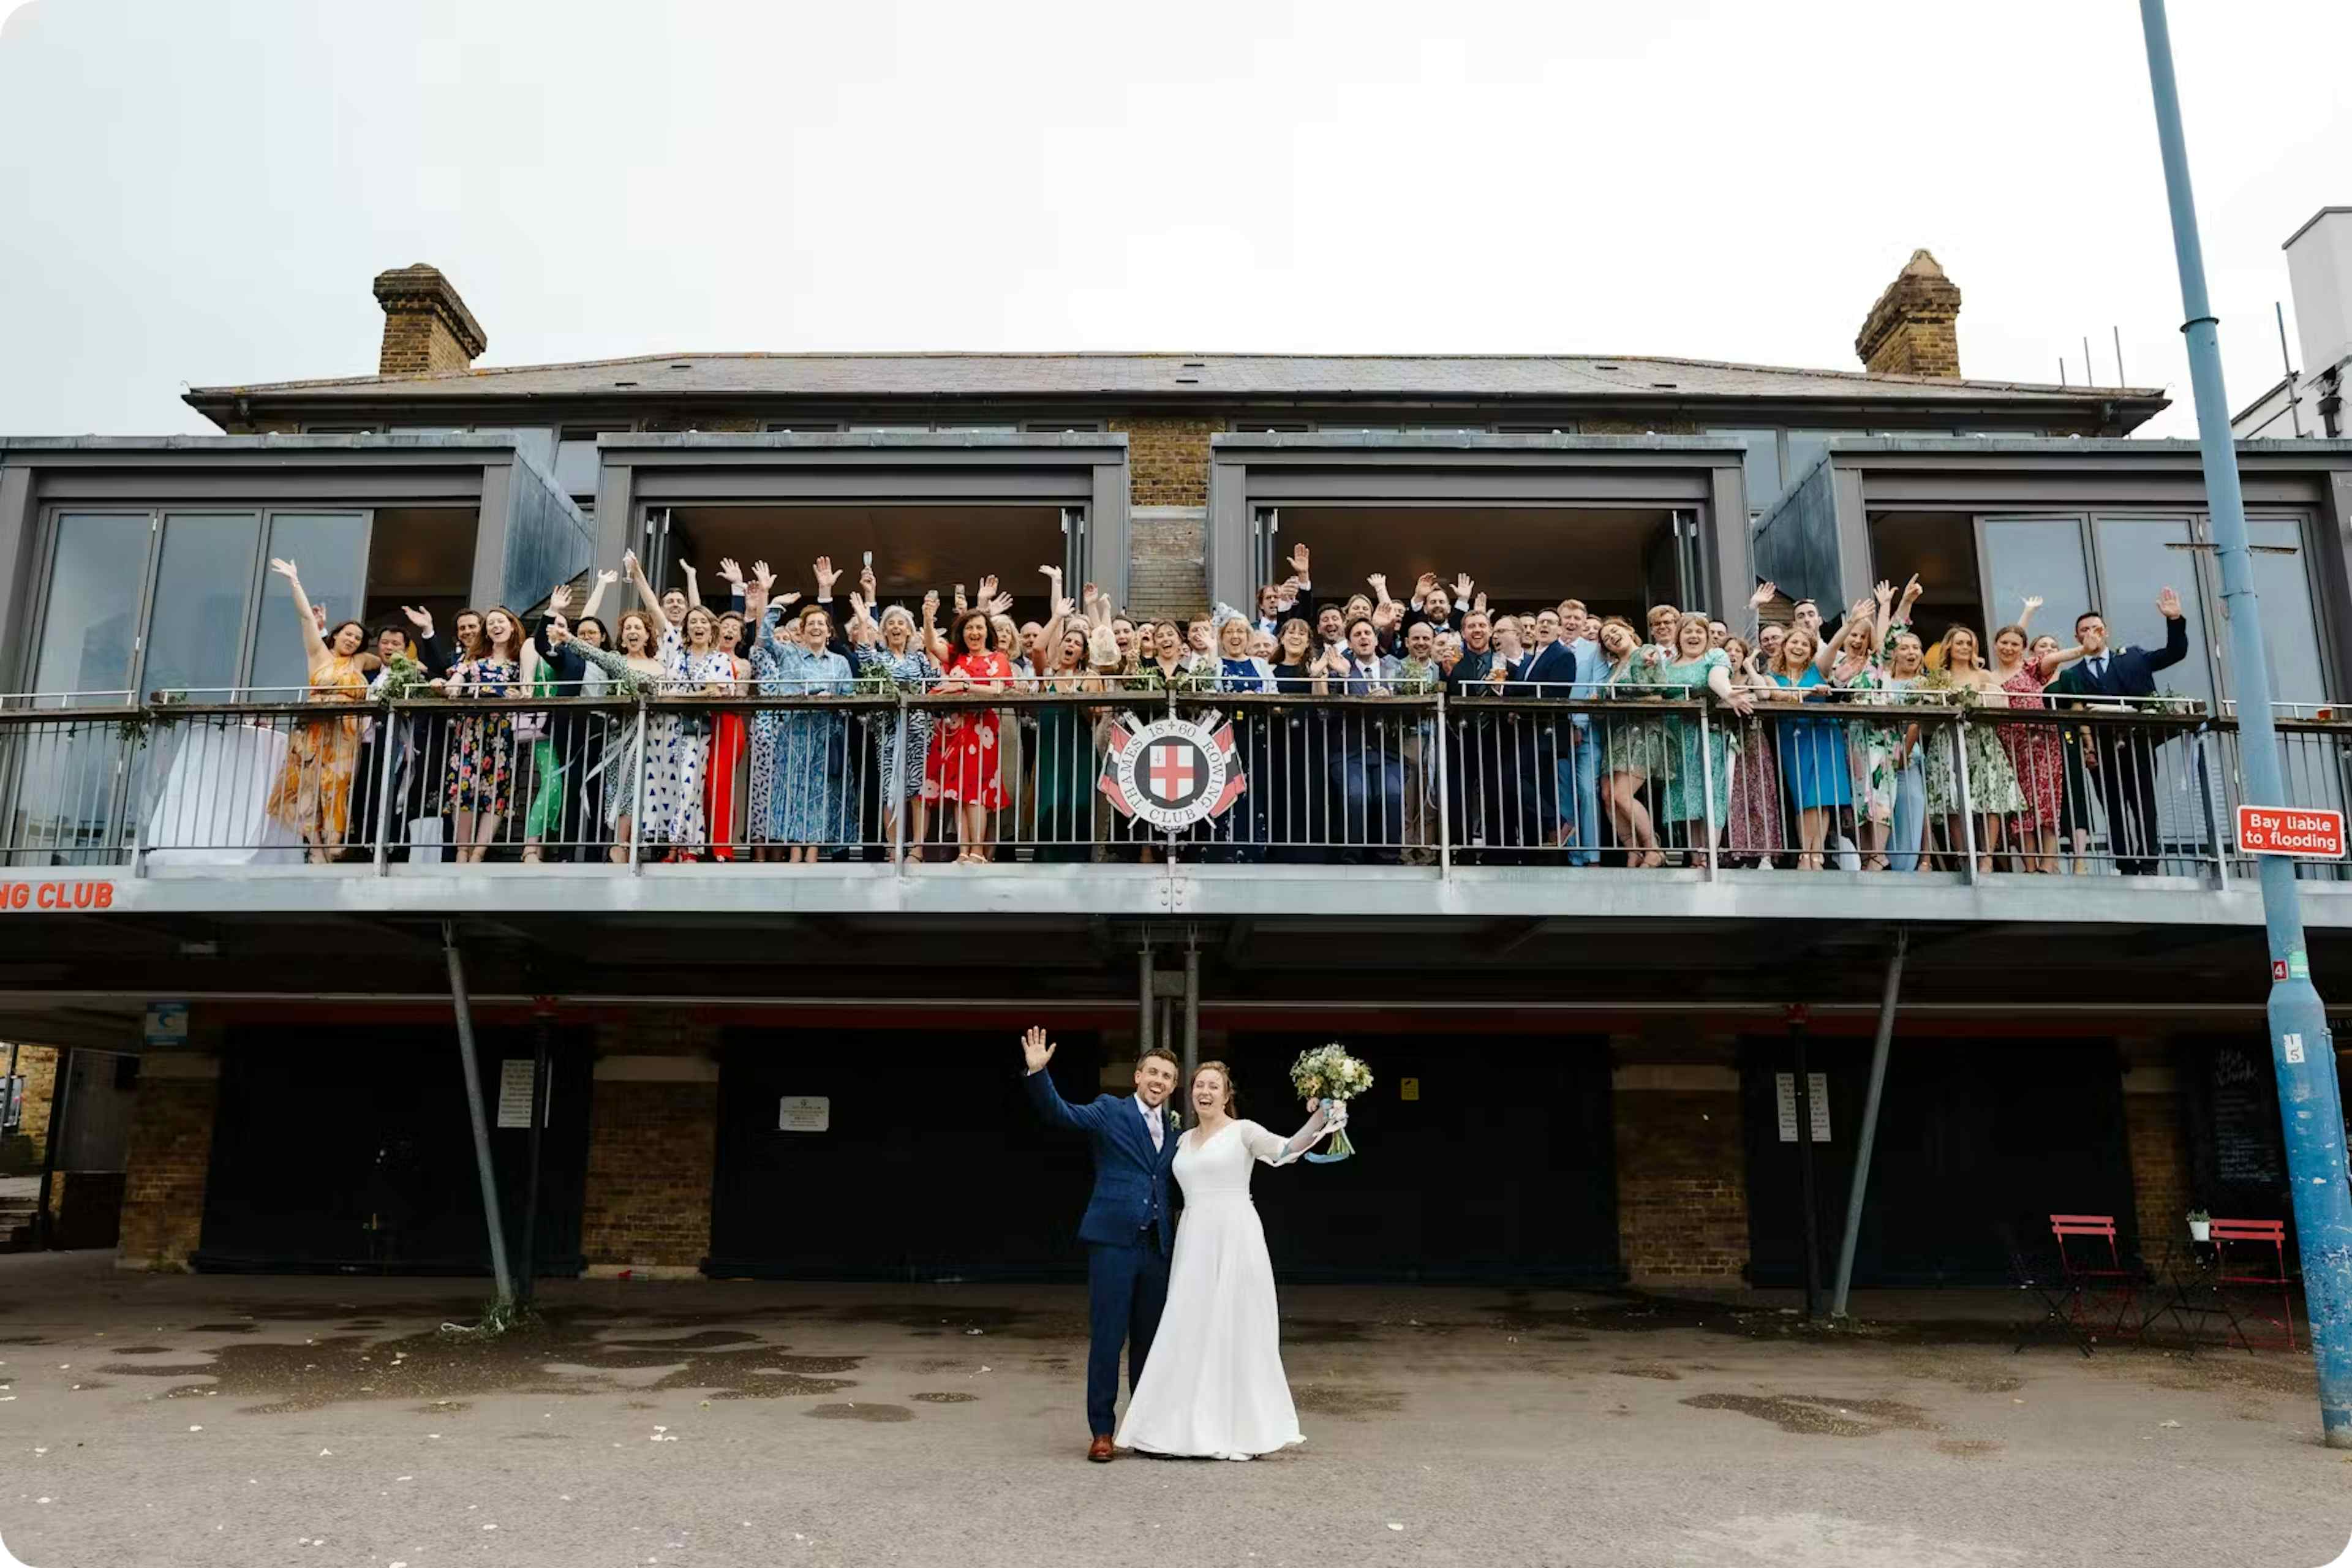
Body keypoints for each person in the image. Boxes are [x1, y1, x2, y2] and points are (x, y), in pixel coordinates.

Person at [1112, 1058, 1343, 1461]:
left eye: (1213, 1086)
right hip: (1194, 1238)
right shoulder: (1180, 1140)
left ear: (1226, 1094)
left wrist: (1323, 1118)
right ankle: (1175, 1427)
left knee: (1236, 1326)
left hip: (1236, 1235)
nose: (1204, 1092)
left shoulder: (1244, 1132)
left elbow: (1286, 1151)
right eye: (1199, 1085)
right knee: (1188, 1325)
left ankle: (1237, 1427)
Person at [1019, 1028, 1183, 1462]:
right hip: (1113, 1242)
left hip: (1157, 1248)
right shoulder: (1110, 1111)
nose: (1159, 1081)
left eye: (1167, 1076)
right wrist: (1039, 1074)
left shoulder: (1174, 1127)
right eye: (1152, 1072)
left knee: (1150, 1343)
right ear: (1137, 1076)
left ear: (1173, 1086)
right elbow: (1063, 1115)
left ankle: (1145, 1430)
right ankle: (1103, 1432)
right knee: (1109, 1339)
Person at [2047, 589, 2188, 875]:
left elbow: (2174, 653)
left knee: (2143, 804)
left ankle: (2149, 862)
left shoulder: (2133, 658)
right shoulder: (2071, 675)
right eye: (2084, 630)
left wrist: (2175, 620)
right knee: (2112, 807)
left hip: (2138, 744)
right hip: (2099, 750)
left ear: (2106, 633)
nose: (2091, 634)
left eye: (2096, 628)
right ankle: (2125, 863)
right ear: (2077, 639)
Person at [260, 558, 371, 862]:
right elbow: (307, 619)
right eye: (348, 634)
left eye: (358, 638)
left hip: (345, 736)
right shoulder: (319, 655)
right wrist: (295, 582)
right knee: (308, 787)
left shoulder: (360, 662)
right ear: (335, 635)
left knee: (337, 785)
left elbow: (392, 659)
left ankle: (335, 842)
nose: (352, 640)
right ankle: (317, 849)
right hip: (313, 730)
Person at [1991, 601, 2089, 873]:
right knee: (2023, 808)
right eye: (2004, 643)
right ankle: (2030, 866)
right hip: (2012, 747)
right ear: (1995, 645)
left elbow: (2054, 659)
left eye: (2014, 644)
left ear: (2022, 649)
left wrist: (2083, 649)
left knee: (2046, 804)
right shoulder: (1988, 676)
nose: (2009, 648)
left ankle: (2049, 863)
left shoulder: (2030, 669)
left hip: (2045, 744)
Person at [755, 600, 855, 862]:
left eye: (821, 624)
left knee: (821, 795)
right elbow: (764, 639)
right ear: (802, 630)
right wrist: (775, 607)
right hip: (794, 734)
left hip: (826, 735)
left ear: (829, 631)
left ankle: (812, 853)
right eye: (810, 624)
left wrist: (833, 702)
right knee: (793, 791)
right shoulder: (789, 653)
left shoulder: (840, 663)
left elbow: (850, 699)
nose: (816, 627)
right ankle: (795, 853)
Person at [1923, 625, 2027, 873]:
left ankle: (1988, 856)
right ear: (1949, 646)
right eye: (1960, 643)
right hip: (1948, 740)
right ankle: (1963, 856)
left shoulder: (1983, 677)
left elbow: (2001, 707)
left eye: (1969, 644)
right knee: (1953, 798)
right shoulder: (1939, 678)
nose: (1965, 648)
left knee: (1990, 795)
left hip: (1981, 740)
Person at [850, 593, 941, 864]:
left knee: (917, 789)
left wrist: (930, 637)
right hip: (889, 731)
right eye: (891, 624)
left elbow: (934, 679)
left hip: (918, 730)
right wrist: (864, 619)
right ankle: (893, 848)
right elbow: (865, 656)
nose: (897, 628)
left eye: (902, 623)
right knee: (891, 787)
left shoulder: (918, 660)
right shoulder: (880, 659)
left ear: (910, 631)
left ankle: (917, 848)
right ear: (885, 631)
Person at [442, 605, 530, 864]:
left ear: (512, 625)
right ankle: (462, 851)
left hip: (504, 733)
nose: (496, 626)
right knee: (463, 788)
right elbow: (454, 684)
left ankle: (479, 853)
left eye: (501, 621)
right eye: (491, 623)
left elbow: (529, 689)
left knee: (497, 792)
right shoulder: (472, 659)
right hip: (472, 730)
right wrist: (452, 684)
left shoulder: (519, 661)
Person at [1762, 626, 1852, 870]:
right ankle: (1806, 852)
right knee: (1803, 797)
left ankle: (1814, 855)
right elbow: (1777, 695)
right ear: (1784, 646)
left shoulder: (1818, 670)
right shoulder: (1772, 674)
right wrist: (1809, 692)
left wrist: (1852, 622)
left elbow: (1834, 644)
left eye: (1804, 645)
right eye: (1794, 643)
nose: (1798, 647)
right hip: (1793, 738)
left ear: (1811, 651)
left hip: (1822, 734)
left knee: (1821, 798)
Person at [930, 608, 1012, 864]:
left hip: (981, 730)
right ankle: (963, 851)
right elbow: (932, 645)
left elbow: (998, 689)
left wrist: (964, 686)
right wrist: (928, 616)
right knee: (958, 792)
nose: (974, 633)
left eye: (979, 627)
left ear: (987, 632)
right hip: (954, 731)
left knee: (977, 791)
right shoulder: (957, 657)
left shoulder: (998, 658)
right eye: (969, 628)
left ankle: (978, 851)